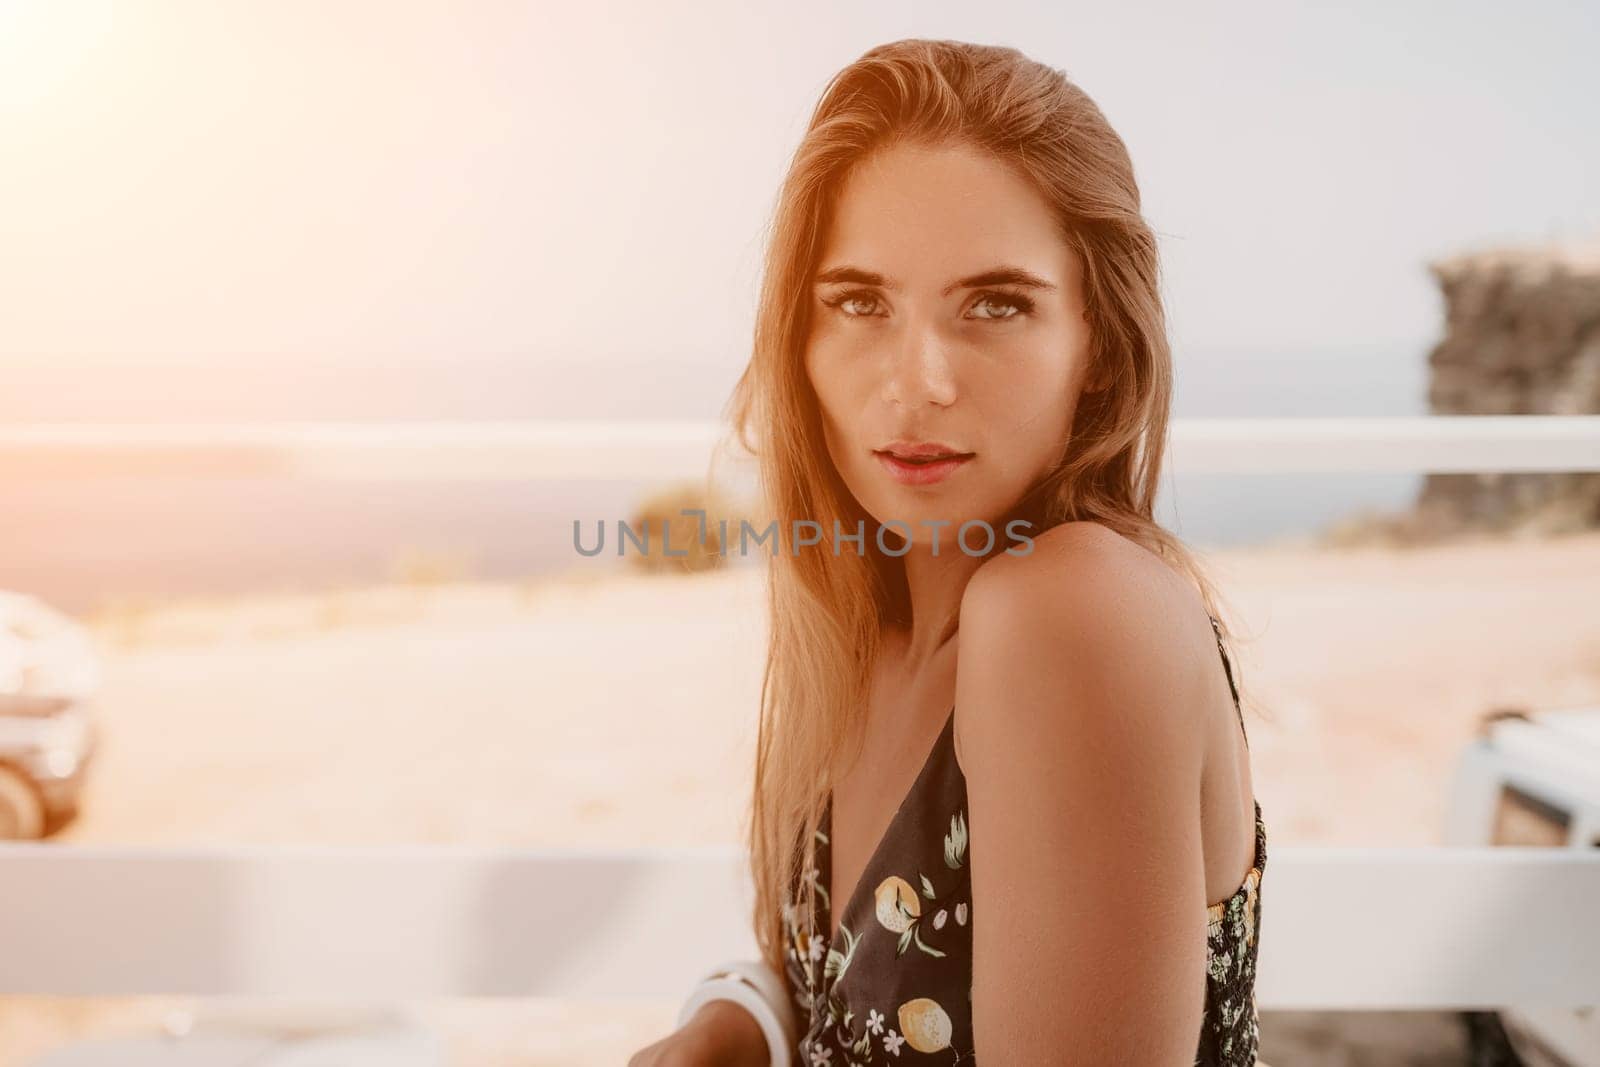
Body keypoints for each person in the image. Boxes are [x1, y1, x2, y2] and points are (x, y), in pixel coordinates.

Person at [631, 37, 1266, 1067]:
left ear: (1098, 343)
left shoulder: (1071, 610)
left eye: (995, 304)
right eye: (859, 302)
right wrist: (741, 1022)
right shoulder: (868, 625)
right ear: (798, 333)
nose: (915, 379)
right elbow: (863, 997)